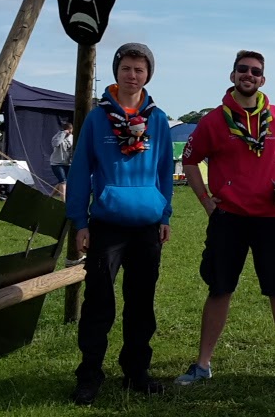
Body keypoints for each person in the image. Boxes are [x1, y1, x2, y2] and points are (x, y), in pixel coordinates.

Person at [176, 50, 275, 388]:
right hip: (228, 218)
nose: (249, 75)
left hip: (271, 217)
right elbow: (190, 160)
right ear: (233, 76)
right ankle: (202, 364)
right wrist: (206, 201)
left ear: (262, 80)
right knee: (219, 288)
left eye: (255, 72)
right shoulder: (214, 120)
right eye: (243, 69)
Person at [66, 42, 174, 405]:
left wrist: (164, 214)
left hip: (147, 225)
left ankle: (136, 372)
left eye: (139, 70)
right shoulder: (98, 118)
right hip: (107, 224)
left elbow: (164, 171)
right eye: (126, 68)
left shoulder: (157, 119)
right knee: (99, 301)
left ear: (148, 75)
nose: (132, 75)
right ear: (116, 72)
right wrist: (79, 221)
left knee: (141, 302)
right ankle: (89, 375)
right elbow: (80, 170)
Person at [50, 122, 74, 200]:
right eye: (68, 131)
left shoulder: (72, 138)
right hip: (56, 163)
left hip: (68, 163)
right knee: (63, 181)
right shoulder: (57, 136)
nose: (69, 133)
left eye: (71, 131)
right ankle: (63, 202)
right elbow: (55, 144)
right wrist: (63, 134)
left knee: (63, 181)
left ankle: (50, 197)